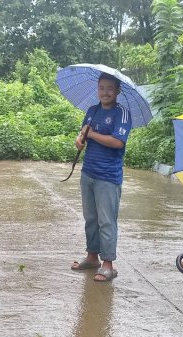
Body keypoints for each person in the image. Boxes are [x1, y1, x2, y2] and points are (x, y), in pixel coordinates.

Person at [70, 73, 132, 282]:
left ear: (117, 91)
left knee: (107, 221)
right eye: (101, 88)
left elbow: (118, 142)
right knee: (91, 219)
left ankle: (108, 264)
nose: (104, 92)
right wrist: (80, 140)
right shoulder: (92, 110)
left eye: (109, 88)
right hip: (88, 172)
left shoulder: (121, 113)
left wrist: (92, 134)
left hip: (108, 176)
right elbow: (83, 133)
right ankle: (92, 257)